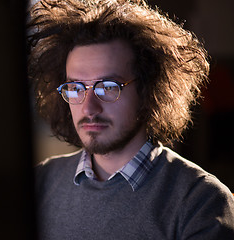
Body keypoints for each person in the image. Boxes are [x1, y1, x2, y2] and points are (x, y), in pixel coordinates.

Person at [27, 0, 234, 239]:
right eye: (75, 88)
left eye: (107, 87)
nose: (88, 107)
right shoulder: (40, 183)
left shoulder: (202, 203)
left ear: (148, 90)